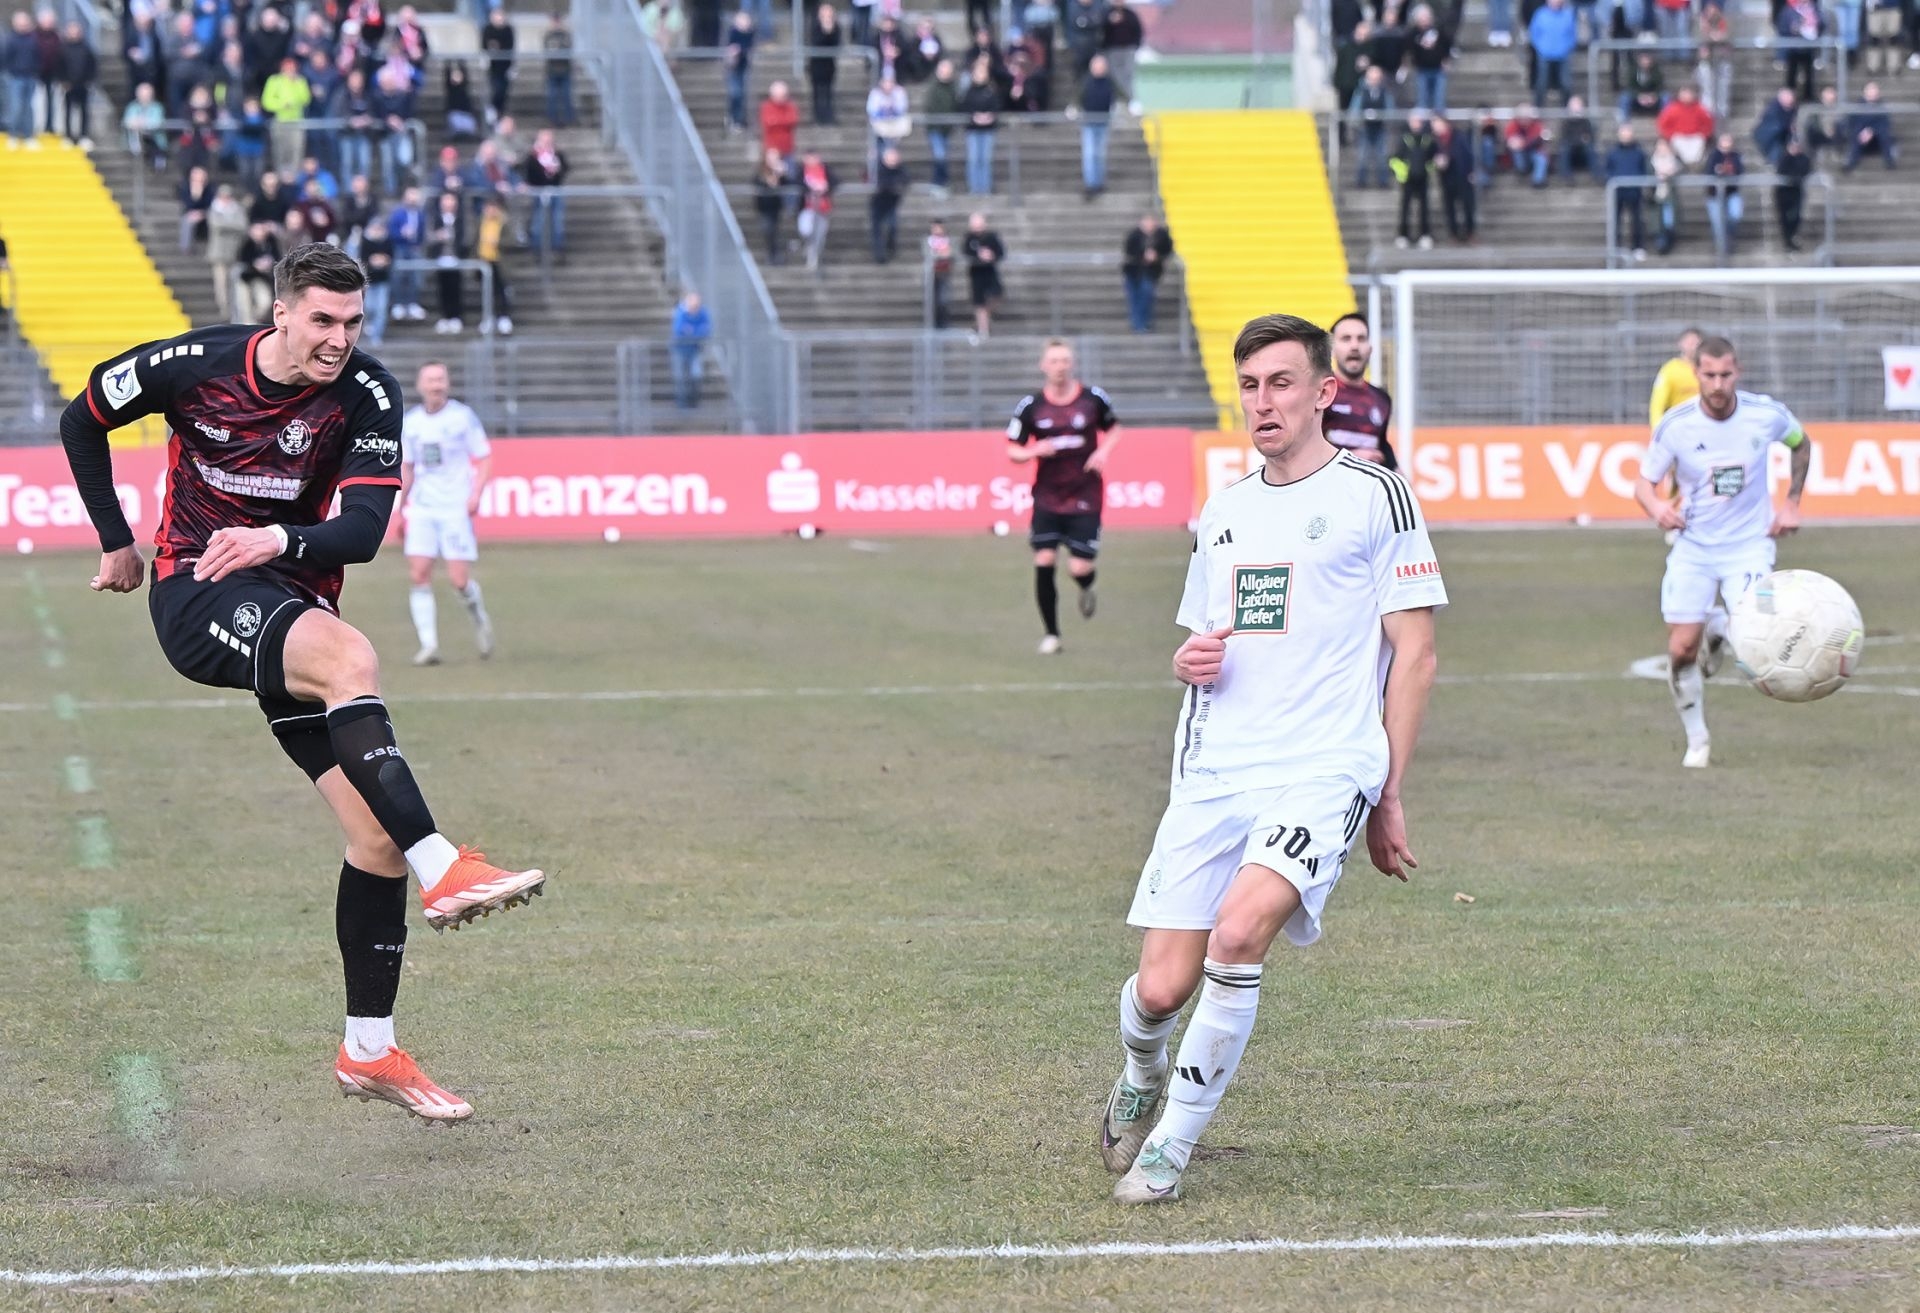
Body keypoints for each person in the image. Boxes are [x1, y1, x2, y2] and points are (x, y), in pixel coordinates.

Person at [57, 244, 546, 1123]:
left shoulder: (367, 393)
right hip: (197, 589)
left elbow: (363, 529)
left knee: (374, 840)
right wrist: (116, 538)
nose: (338, 338)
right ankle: (444, 865)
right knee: (350, 659)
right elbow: (81, 417)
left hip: (290, 595)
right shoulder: (194, 364)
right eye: (322, 319)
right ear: (280, 312)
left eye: (353, 322)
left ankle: (369, 1049)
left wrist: (278, 539)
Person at [1101, 313, 1445, 1205]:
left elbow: (1415, 654)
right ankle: (1141, 1068)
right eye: (1251, 385)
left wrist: (1388, 792)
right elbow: (1201, 640)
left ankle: (1170, 1146)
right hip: (1218, 765)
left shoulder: (1377, 496)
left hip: (1326, 764)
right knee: (1160, 987)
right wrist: (1187, 660)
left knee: (1239, 934)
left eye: (1282, 383)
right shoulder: (1224, 509)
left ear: (1325, 391)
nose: (1264, 401)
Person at [1632, 336, 1811, 768]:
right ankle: (1697, 739)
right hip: (1693, 547)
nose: (1717, 384)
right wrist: (1657, 509)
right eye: (1709, 375)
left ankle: (1722, 627)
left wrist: (1791, 503)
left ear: (1738, 372)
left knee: (1753, 637)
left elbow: (1801, 443)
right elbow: (1643, 484)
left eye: (1725, 374)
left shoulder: (1765, 415)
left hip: (1749, 547)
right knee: (1681, 649)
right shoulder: (1676, 425)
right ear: (1696, 374)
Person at [1005, 339, 1123, 656]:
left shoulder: (1092, 398)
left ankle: (1086, 585)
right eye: (1054, 361)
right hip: (1047, 496)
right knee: (1044, 559)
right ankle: (1052, 634)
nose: (1060, 366)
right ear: (1043, 366)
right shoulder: (1030, 406)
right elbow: (1012, 449)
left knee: (1079, 568)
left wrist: (1102, 452)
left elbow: (1114, 430)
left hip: (1085, 494)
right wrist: (1034, 450)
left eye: (1065, 360)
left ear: (1072, 364)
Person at [400, 362, 495, 667]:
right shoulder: (411, 423)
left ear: (447, 384)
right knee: (419, 574)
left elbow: (484, 457)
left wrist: (475, 493)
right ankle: (428, 645)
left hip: (454, 507)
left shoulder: (462, 417)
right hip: (423, 508)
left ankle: (479, 618)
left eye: (440, 379)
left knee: (459, 580)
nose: (436, 385)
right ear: (420, 385)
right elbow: (408, 467)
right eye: (430, 380)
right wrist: (401, 507)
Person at [1325, 312, 1397, 468]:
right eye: (1346, 339)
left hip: (1367, 481)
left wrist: (1398, 474)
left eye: (1361, 339)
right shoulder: (1320, 393)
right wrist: (1352, 458)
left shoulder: (1381, 399)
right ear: (1332, 348)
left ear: (1370, 348)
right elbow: (1304, 447)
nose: (1354, 346)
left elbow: (1381, 445)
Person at [1604, 123, 1651, 259]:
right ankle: (1615, 248)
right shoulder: (1613, 152)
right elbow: (1607, 169)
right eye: (1623, 132)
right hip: (1617, 191)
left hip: (1634, 190)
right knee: (1615, 221)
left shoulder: (1639, 152)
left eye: (1628, 132)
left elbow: (1644, 169)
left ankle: (1638, 247)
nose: (1626, 135)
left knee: (1637, 220)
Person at [1121, 212, 1172, 333]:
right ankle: (1137, 323)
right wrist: (1143, 255)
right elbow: (1128, 251)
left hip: (1150, 272)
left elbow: (1167, 250)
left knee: (1146, 295)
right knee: (1134, 298)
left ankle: (1142, 323)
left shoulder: (1162, 236)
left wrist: (1156, 256)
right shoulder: (1134, 235)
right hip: (1133, 271)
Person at [1390, 110, 1435, 249]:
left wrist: (1428, 170)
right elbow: (1395, 159)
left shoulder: (1427, 139)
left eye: (1418, 121)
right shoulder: (1404, 139)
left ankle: (1425, 235)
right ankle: (1403, 235)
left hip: (1423, 178)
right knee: (1405, 208)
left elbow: (1433, 158)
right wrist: (1402, 174)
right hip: (1408, 179)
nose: (1416, 124)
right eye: (1413, 121)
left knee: (1424, 208)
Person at [1648, 326, 1702, 426]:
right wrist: (1657, 426)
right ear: (1680, 344)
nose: (1692, 346)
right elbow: (1657, 402)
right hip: (1679, 425)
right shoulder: (1670, 369)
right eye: (1689, 342)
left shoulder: (1707, 369)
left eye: (1695, 343)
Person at [963, 210, 1004, 338]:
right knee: (979, 302)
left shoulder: (991, 237)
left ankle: (984, 319)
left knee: (996, 295)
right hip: (976, 273)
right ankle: (983, 329)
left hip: (990, 271)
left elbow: (1001, 252)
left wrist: (991, 255)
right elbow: (966, 252)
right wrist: (978, 255)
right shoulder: (969, 238)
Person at [671, 288, 710, 408]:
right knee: (680, 377)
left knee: (696, 375)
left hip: (695, 349)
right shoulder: (681, 313)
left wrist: (691, 331)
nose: (694, 308)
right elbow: (679, 330)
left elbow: (705, 330)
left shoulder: (703, 313)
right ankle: (682, 404)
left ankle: (694, 403)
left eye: (696, 305)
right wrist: (694, 332)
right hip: (680, 350)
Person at [870, 145, 908, 263]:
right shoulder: (878, 169)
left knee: (893, 226)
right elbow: (878, 182)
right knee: (877, 230)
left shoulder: (900, 169)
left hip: (891, 203)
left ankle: (890, 246)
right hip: (878, 203)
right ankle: (879, 255)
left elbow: (906, 180)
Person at [807, 3, 842, 124]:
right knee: (817, 92)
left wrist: (830, 32)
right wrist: (825, 31)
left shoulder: (836, 27)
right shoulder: (815, 26)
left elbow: (836, 44)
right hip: (816, 64)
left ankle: (828, 116)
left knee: (828, 91)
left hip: (829, 64)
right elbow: (816, 43)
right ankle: (817, 116)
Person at [542, 12, 576, 126]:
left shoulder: (566, 35)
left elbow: (567, 48)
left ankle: (569, 119)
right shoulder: (548, 35)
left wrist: (558, 48)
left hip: (565, 70)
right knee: (552, 97)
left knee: (567, 96)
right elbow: (548, 50)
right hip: (552, 70)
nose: (556, 24)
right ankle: (552, 119)